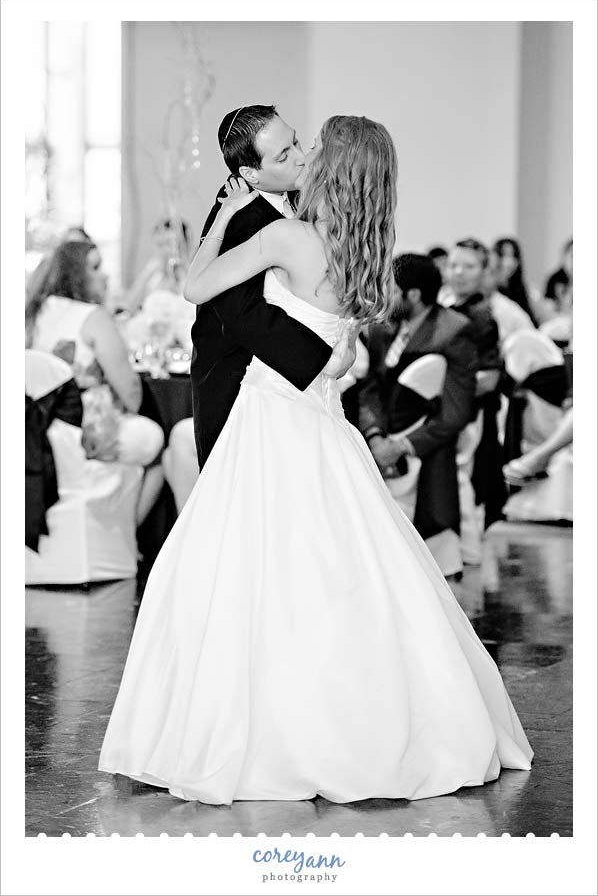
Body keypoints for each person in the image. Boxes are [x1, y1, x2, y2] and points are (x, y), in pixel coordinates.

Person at [99, 115, 532, 805]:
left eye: (315, 147)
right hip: (324, 423)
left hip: (271, 417)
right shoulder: (365, 248)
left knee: (245, 568)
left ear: (332, 165)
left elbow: (196, 287)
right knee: (347, 565)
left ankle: (265, 732)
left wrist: (226, 217)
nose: (305, 153)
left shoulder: (286, 235)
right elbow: (345, 353)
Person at [188, 104, 355, 469]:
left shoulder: (304, 193)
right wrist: (322, 357)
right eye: (284, 155)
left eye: (296, 142)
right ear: (251, 173)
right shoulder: (238, 212)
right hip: (236, 379)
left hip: (293, 384)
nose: (300, 159)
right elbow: (242, 313)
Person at [27, 241, 164, 526]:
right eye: (95, 267)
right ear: (75, 273)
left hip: (35, 434)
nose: (105, 275)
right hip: (86, 434)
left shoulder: (34, 315)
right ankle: (128, 540)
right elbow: (132, 394)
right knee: (155, 440)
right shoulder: (92, 317)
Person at [359, 253, 477, 578]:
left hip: (426, 445)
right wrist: (374, 435)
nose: (384, 296)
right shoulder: (384, 329)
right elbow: (371, 388)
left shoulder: (453, 331)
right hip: (380, 439)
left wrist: (402, 445)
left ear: (413, 294)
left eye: (391, 288)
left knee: (426, 560)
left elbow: (456, 411)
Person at [121, 217, 191, 314]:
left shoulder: (190, 275)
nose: (164, 251)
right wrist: (148, 272)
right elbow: (128, 306)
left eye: (168, 244)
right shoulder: (153, 276)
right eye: (159, 245)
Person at [491, 237, 536, 322]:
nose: (508, 262)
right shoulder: (490, 292)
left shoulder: (525, 290)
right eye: (503, 255)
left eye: (514, 256)